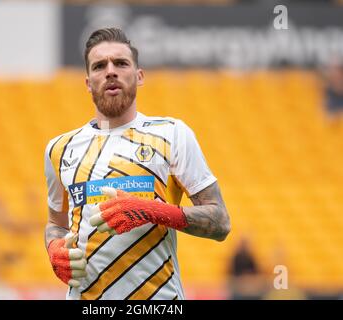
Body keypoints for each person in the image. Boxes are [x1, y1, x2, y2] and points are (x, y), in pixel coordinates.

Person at [44, 27, 231, 300]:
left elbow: (220, 222)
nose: (110, 71)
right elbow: (55, 223)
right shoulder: (59, 148)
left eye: (120, 63)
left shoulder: (173, 134)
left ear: (139, 76)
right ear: (87, 82)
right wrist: (54, 249)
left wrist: (150, 210)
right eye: (99, 66)